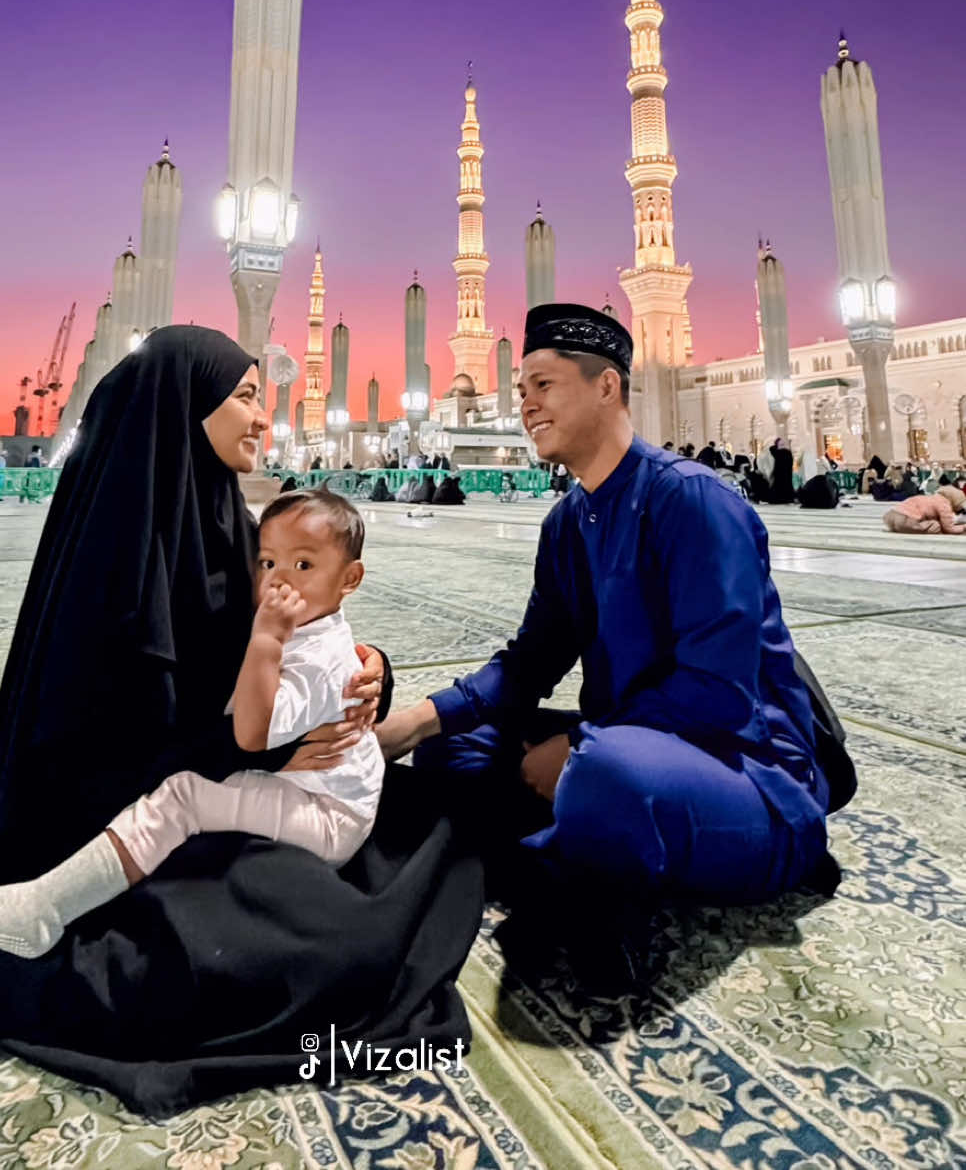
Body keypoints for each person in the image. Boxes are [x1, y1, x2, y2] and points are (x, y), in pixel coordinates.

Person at [0, 327, 481, 1112]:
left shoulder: (233, 530)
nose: (261, 417)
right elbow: (102, 758)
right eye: (244, 395)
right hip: (116, 821)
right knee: (306, 942)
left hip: (229, 787)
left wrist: (370, 669)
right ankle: (39, 915)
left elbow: (305, 634)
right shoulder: (114, 560)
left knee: (415, 829)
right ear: (185, 405)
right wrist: (265, 751)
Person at [377, 302, 835, 984]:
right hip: (629, 739)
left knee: (606, 777)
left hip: (748, 769)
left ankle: (556, 848)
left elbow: (718, 690)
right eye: (521, 388)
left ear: (606, 386)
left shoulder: (691, 501)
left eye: (543, 385)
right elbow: (530, 662)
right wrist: (419, 718)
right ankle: (574, 852)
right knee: (454, 743)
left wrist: (580, 744)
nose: (526, 404)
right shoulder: (568, 522)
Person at [0, 489, 385, 956]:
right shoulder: (304, 626)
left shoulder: (318, 654)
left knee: (183, 797)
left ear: (349, 579)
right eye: (267, 563)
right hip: (318, 792)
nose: (279, 582)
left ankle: (43, 908)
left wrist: (266, 640)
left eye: (303, 567)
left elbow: (251, 734)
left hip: (328, 815)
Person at [881, 483, 965, 534]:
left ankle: (898, 528)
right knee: (936, 526)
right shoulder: (944, 504)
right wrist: (964, 527)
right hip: (906, 520)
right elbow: (949, 528)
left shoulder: (932, 497)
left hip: (890, 517)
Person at [768, 438, 796, 504]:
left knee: (786, 484)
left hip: (786, 472)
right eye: (781, 443)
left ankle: (786, 499)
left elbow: (790, 462)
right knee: (779, 485)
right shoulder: (775, 451)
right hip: (779, 472)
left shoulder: (786, 452)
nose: (782, 444)